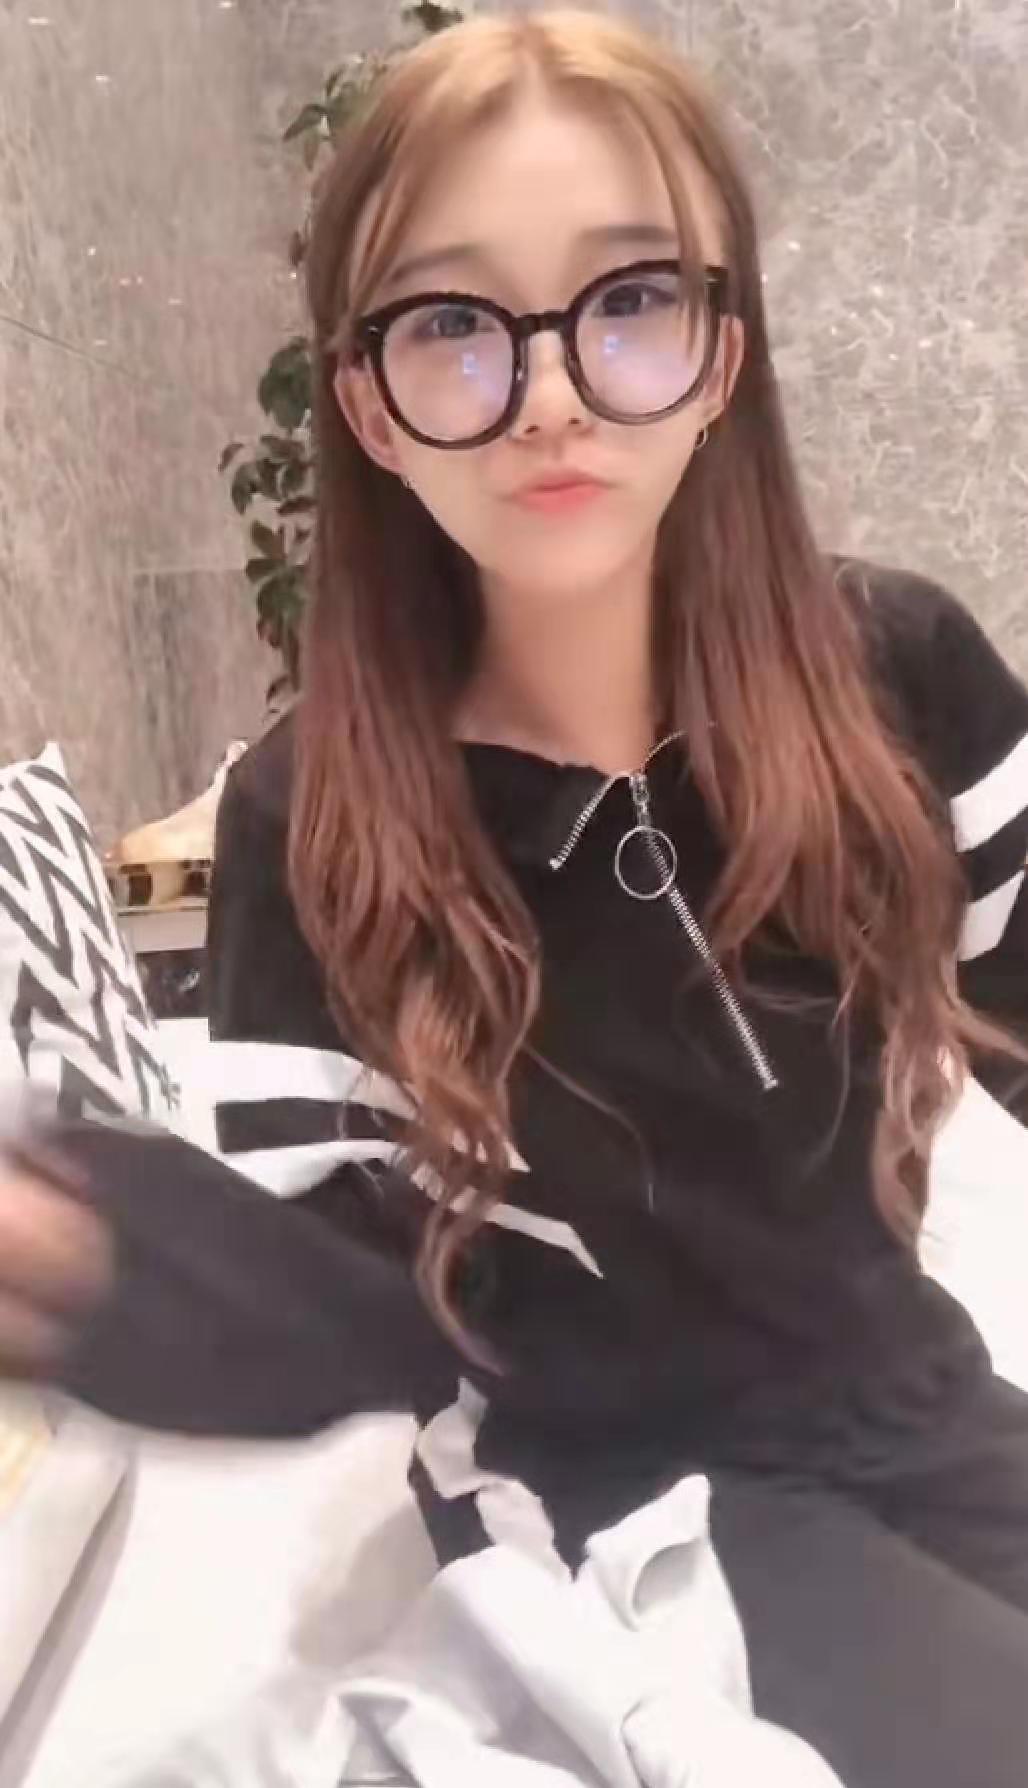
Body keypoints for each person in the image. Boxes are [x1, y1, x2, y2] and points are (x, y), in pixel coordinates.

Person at [1, 11, 1027, 1784]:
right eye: (455, 324)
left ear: (719, 354)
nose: (550, 390)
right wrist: (77, 1247)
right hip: (619, 1499)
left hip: (919, 1399)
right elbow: (348, 1308)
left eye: (627, 300)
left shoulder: (899, 674)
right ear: (369, 408)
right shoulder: (308, 823)